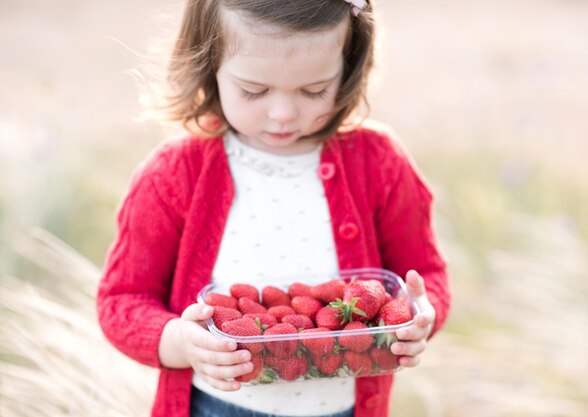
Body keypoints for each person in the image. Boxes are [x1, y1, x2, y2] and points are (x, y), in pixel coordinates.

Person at [96, 1, 450, 417]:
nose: (283, 113)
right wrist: (179, 342)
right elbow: (122, 299)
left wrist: (419, 314)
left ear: (349, 66)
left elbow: (424, 274)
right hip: (215, 405)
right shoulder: (173, 175)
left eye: (314, 90)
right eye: (253, 90)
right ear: (209, 67)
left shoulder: (380, 164)